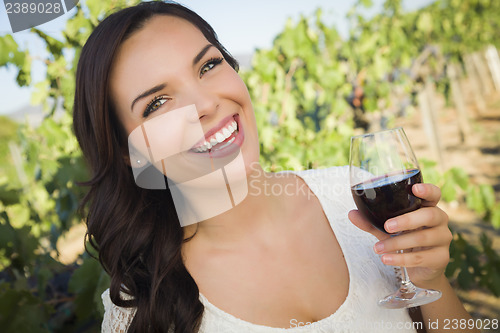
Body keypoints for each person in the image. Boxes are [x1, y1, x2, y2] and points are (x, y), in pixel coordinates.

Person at [72, 1, 477, 332]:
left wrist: (431, 281)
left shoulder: (350, 199)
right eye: (157, 103)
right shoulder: (141, 310)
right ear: (130, 152)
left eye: (208, 65)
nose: (206, 104)